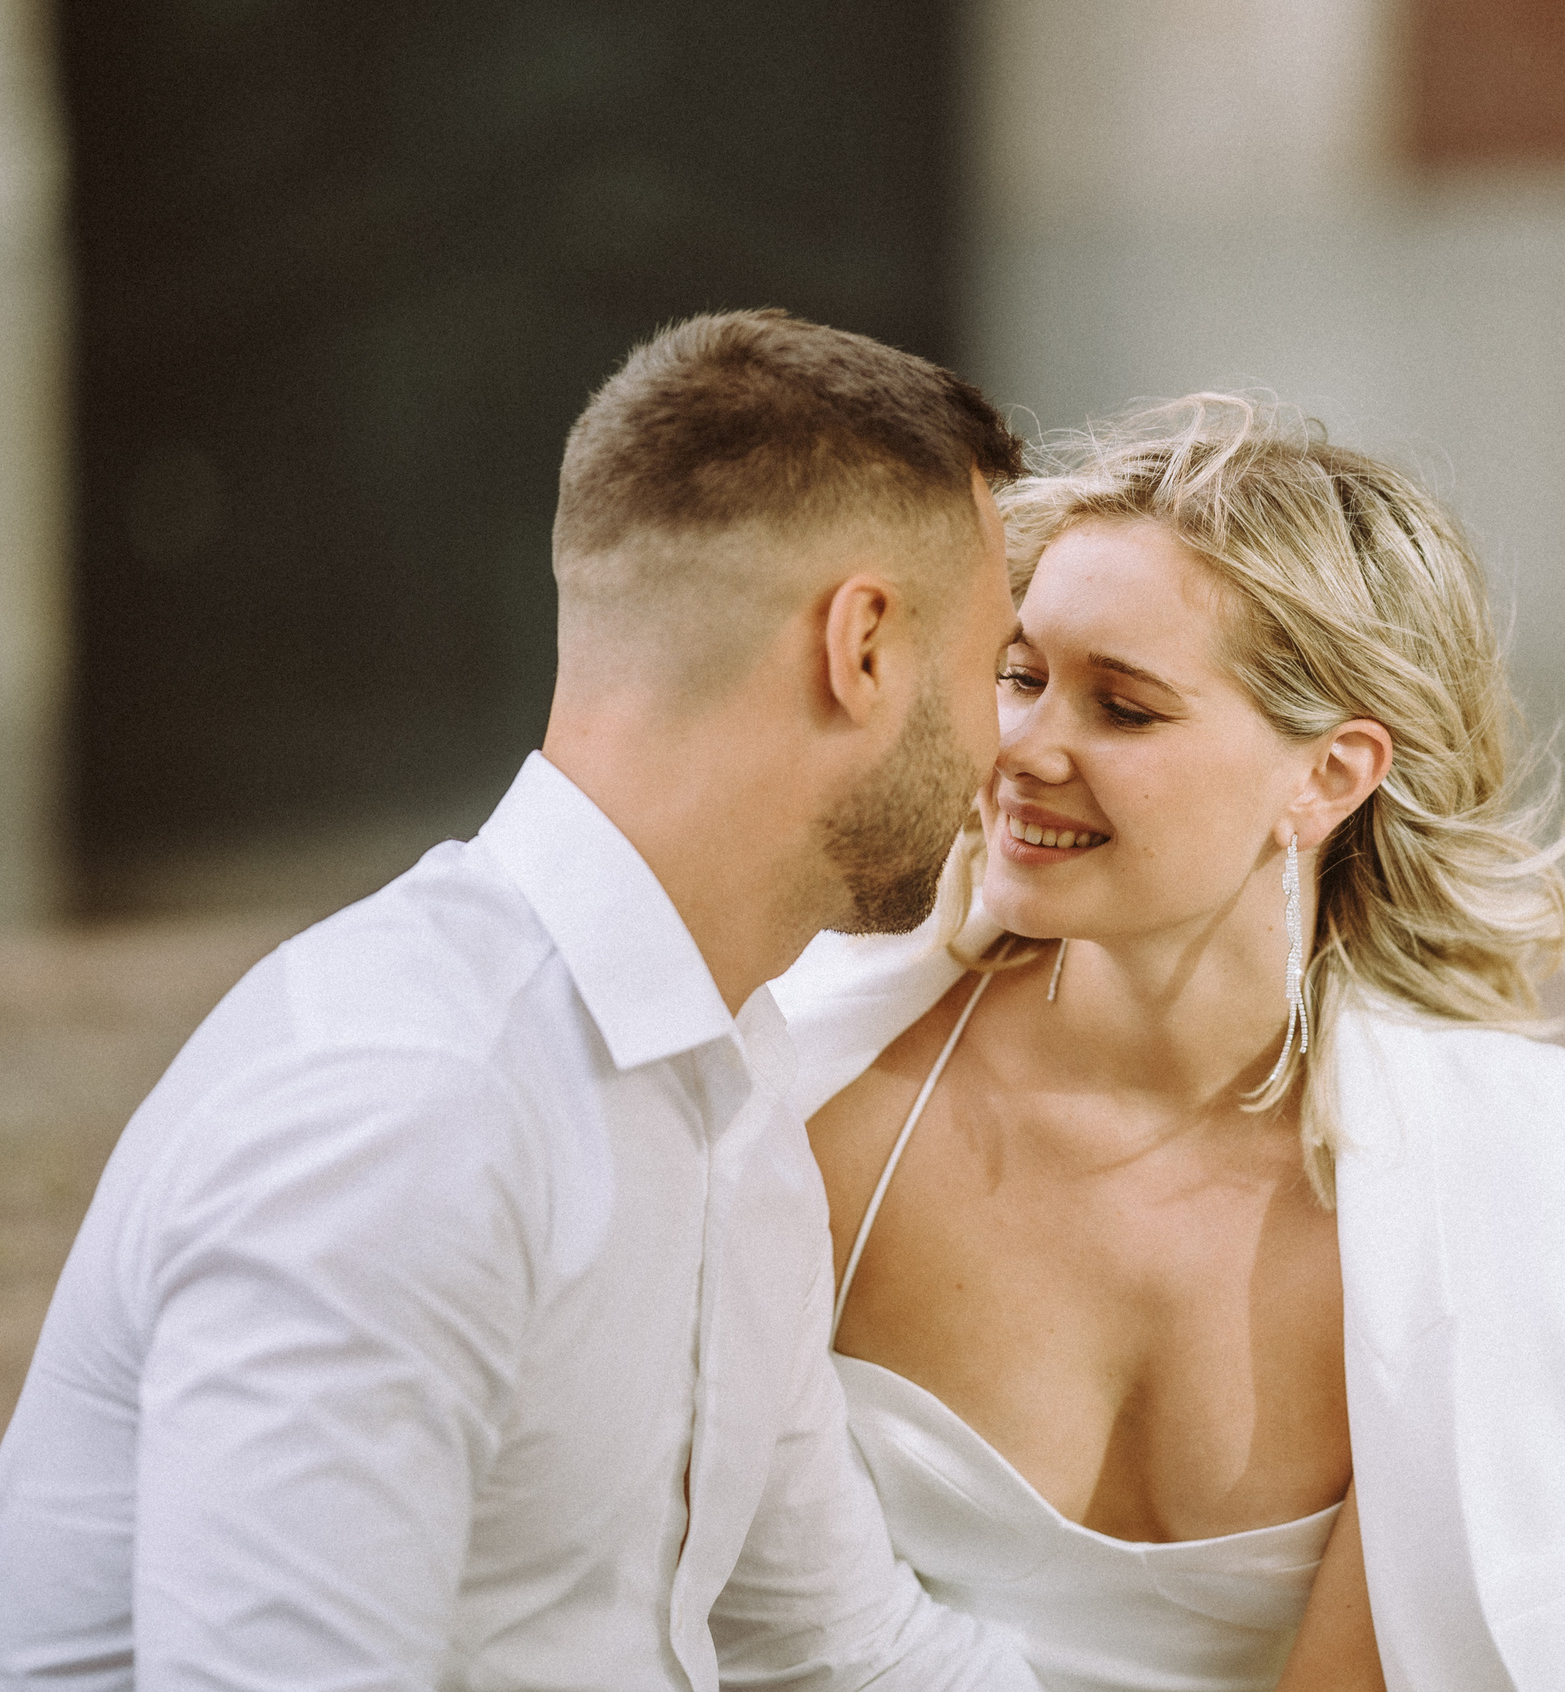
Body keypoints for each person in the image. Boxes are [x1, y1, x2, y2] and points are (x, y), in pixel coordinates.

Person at [0, 311, 1043, 1692]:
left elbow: (843, 1649)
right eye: (997, 674)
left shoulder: (732, 1091)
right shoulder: (414, 1104)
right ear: (860, 646)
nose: (1007, 752)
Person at [778, 395, 1565, 1691]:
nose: (1025, 747)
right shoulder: (808, 1095)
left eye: (1124, 706)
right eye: (1020, 673)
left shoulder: (1554, 1183)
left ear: (1329, 775)